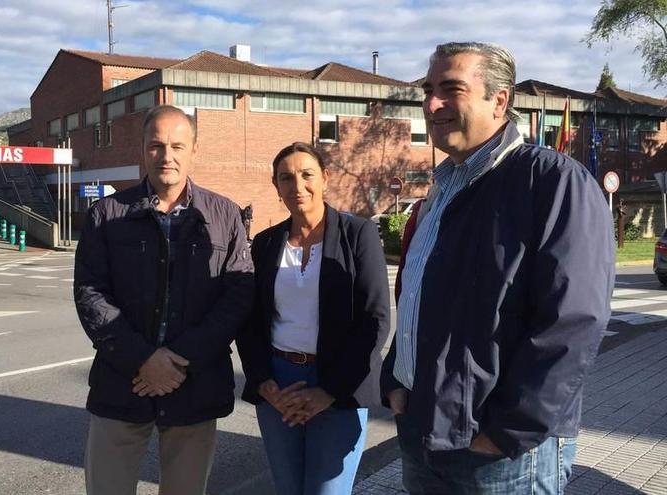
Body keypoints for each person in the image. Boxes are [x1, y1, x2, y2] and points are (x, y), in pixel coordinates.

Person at [381, 42, 615, 494]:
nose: (432, 104)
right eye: (428, 90)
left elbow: (574, 321)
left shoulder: (553, 182)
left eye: (452, 89)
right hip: (422, 427)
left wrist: (509, 431)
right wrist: (395, 378)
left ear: (500, 100)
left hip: (499, 453)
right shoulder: (442, 188)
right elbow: (416, 295)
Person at [74, 104, 254, 495]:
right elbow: (90, 293)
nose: (166, 155)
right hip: (123, 384)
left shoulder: (225, 216)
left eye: (176, 145)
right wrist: (143, 359)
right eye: (156, 145)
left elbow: (237, 297)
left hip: (195, 386)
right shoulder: (106, 214)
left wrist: (177, 361)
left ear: (194, 149)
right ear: (142, 149)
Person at [237, 142, 391, 494]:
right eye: (286, 178)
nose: (297, 186)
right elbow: (249, 320)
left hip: (338, 383)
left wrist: (329, 392)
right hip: (280, 383)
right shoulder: (265, 243)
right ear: (276, 186)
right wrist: (264, 383)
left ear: (325, 178)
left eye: (307, 175)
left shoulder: (358, 235)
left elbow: (375, 319)